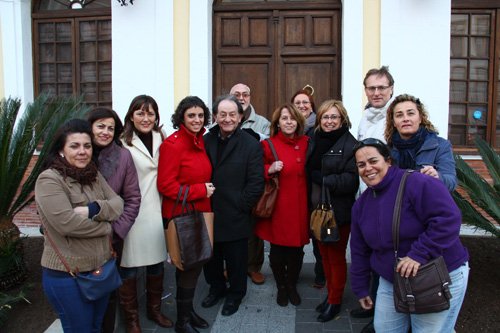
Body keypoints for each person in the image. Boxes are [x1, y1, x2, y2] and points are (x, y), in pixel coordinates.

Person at [350, 138, 469, 333]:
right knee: (384, 329)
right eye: (361, 165)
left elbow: (448, 218)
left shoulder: (417, 182)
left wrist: (418, 254)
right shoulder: (361, 205)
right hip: (392, 278)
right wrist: (361, 287)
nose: (368, 168)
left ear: (388, 161)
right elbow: (359, 249)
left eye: (373, 161)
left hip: (437, 274)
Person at [35, 119, 124, 332]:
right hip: (67, 276)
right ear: (61, 151)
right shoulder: (50, 180)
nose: (82, 151)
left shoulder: (93, 175)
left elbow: (118, 204)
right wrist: (106, 227)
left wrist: (93, 209)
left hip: (99, 270)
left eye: (87, 145)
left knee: (95, 326)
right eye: (74, 146)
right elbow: (67, 224)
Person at [202, 94, 264, 316]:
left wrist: (241, 204)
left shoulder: (250, 144)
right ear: (216, 116)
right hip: (209, 211)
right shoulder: (205, 140)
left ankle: (235, 295)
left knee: (237, 261)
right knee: (211, 258)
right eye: (222, 114)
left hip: (235, 213)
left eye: (232, 114)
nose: (227, 118)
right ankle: (216, 288)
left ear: (240, 117)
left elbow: (257, 182)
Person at [157, 96, 213, 333]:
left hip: (198, 212)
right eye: (191, 115)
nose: (197, 120)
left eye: (200, 115)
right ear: (181, 117)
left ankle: (188, 312)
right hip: (182, 215)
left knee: (195, 264)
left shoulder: (199, 141)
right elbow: (166, 185)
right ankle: (182, 322)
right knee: (188, 267)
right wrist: (201, 190)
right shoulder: (173, 144)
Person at [120, 95, 173, 332]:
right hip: (131, 210)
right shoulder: (121, 142)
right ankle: (131, 319)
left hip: (157, 208)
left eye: (150, 113)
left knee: (156, 264)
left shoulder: (161, 137)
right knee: (129, 265)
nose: (145, 118)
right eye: (140, 113)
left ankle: (154, 310)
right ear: (131, 115)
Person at [87, 108, 141, 333]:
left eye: (111, 128)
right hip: (77, 238)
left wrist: (116, 231)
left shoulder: (123, 156)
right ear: (89, 127)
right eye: (100, 126)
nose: (105, 132)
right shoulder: (77, 153)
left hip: (111, 237)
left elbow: (133, 198)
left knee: (107, 290)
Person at [306, 100, 358, 321]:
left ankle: (335, 302)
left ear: (342, 119)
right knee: (324, 256)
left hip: (337, 212)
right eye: (325, 117)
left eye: (334, 117)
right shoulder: (314, 139)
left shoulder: (350, 145)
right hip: (318, 210)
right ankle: (330, 295)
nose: (329, 121)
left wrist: (325, 179)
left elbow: (352, 180)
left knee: (335, 257)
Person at [352, 65, 395, 331]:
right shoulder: (365, 116)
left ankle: (384, 315)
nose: (376, 92)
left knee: (386, 252)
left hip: (389, 195)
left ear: (391, 89)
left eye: (381, 87)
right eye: (371, 88)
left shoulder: (397, 115)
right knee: (370, 249)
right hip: (366, 193)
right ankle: (373, 306)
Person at [254, 103, 309, 307]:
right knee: (277, 252)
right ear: (277, 122)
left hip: (301, 206)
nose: (289, 122)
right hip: (278, 206)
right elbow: (255, 169)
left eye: (293, 118)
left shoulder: (306, 142)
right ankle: (281, 286)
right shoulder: (268, 144)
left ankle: (292, 284)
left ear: (298, 121)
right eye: (284, 118)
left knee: (297, 251)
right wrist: (269, 168)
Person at [230, 83, 270, 285]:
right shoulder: (223, 120)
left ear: (250, 97)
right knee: (231, 226)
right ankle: (231, 266)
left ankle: (253, 267)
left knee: (255, 228)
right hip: (230, 184)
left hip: (254, 182)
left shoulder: (262, 123)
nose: (241, 98)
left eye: (245, 94)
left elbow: (267, 151)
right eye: (236, 94)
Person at [385, 94, 457, 192]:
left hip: (428, 205)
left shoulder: (440, 146)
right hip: (396, 206)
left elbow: (451, 182)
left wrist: (437, 177)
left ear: (420, 118)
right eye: (399, 115)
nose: (405, 119)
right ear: (394, 122)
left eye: (410, 113)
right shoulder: (387, 150)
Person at [291, 87, 324, 288]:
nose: (302, 106)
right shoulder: (288, 127)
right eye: (298, 103)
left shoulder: (319, 129)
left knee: (319, 235)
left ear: (312, 106)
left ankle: (321, 272)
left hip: (314, 190)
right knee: (296, 234)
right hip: (295, 190)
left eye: (306, 102)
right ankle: (293, 272)